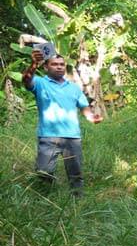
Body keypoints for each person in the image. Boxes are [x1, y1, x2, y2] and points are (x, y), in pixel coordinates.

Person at [22, 50, 102, 194]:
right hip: (48, 136)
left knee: (75, 174)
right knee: (43, 172)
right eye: (54, 64)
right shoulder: (40, 83)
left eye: (62, 64)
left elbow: (84, 107)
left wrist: (91, 117)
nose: (59, 67)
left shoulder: (74, 87)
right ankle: (45, 200)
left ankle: (78, 203)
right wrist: (34, 64)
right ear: (46, 67)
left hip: (72, 137)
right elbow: (26, 80)